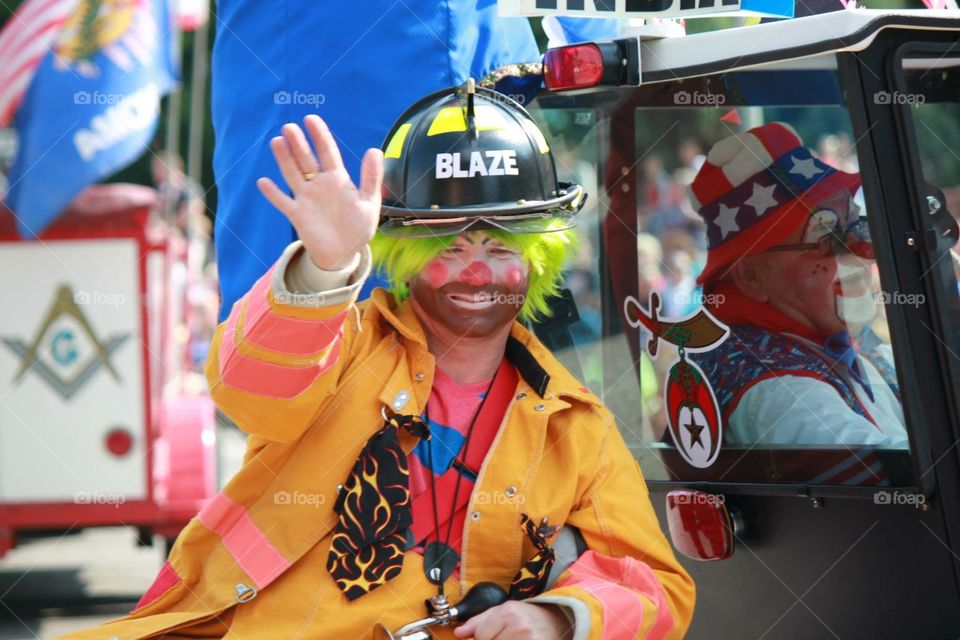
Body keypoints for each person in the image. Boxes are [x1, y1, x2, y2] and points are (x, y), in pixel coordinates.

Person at [64, 85, 693, 639]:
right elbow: (246, 390)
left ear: (537, 261)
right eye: (449, 243)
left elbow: (656, 588)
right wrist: (324, 268)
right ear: (407, 253)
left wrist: (557, 618)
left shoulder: (578, 430)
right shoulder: (340, 343)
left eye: (502, 245)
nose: (477, 270)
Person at [692, 122, 907, 448]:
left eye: (856, 226)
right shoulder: (777, 392)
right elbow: (899, 477)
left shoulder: (854, 351)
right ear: (751, 277)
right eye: (826, 237)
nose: (860, 252)